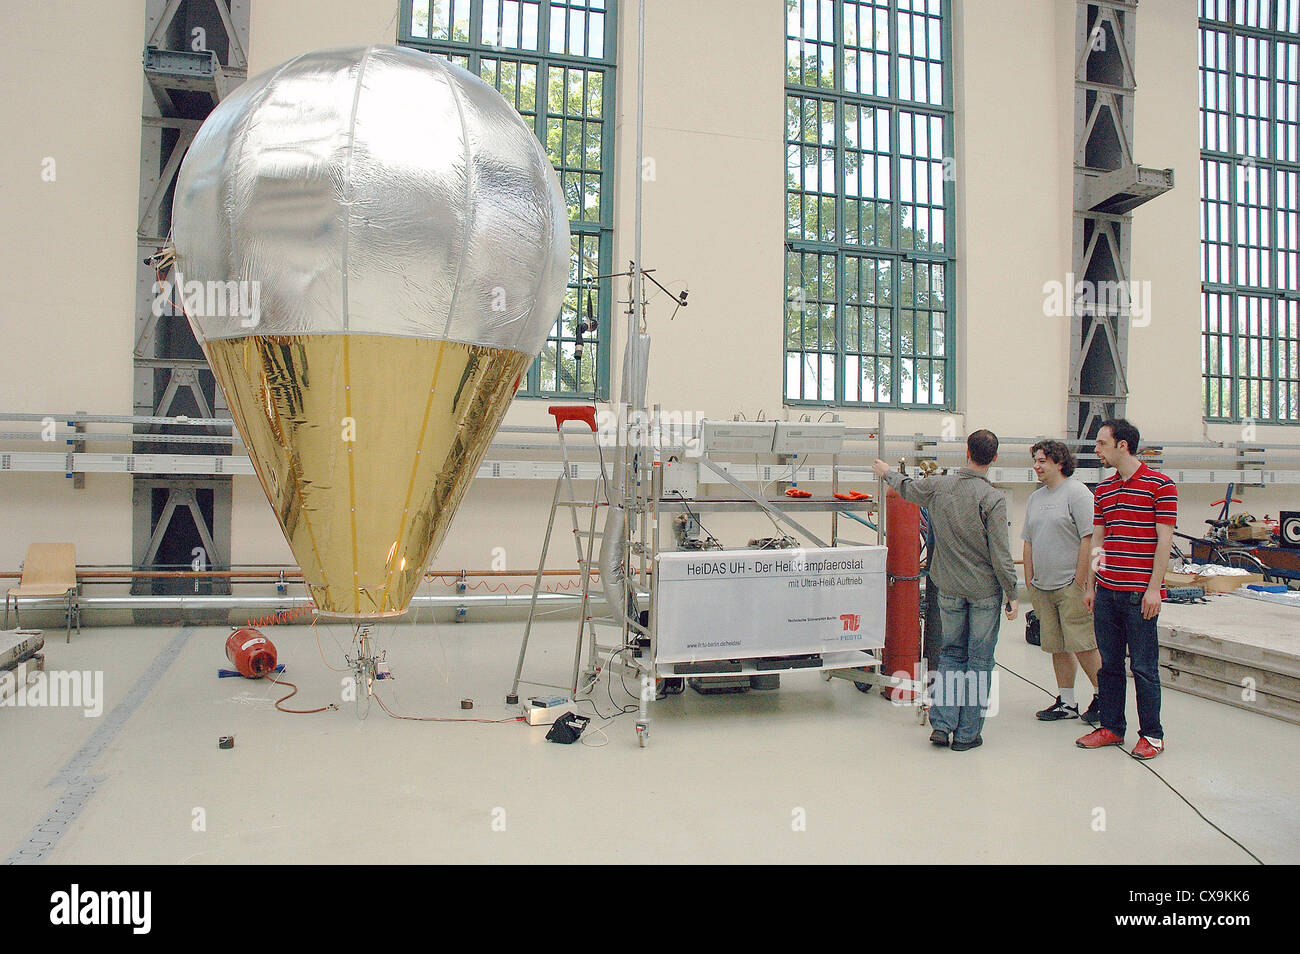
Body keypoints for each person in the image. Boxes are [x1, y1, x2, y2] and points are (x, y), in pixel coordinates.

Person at [872, 430, 1018, 752]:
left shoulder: (939, 486)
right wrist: (1012, 594)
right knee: (979, 660)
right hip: (983, 593)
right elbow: (1001, 555)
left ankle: (941, 725)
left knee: (950, 653)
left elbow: (907, 488)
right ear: (994, 459)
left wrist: (885, 472)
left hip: (948, 589)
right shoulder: (992, 499)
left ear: (966, 452)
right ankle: (967, 735)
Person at [1076, 419, 1176, 760]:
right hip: (1107, 593)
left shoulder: (1160, 485)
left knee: (1145, 668)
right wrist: (1091, 585)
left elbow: (1164, 541)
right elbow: (1099, 540)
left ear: (1123, 446)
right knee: (1110, 666)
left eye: (1102, 443)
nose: (1096, 450)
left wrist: (1153, 590)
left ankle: (1152, 734)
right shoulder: (1103, 491)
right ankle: (1112, 726)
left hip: (1139, 596)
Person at [1022, 439, 1101, 724]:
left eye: (1042, 460)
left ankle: (1103, 696)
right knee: (1057, 645)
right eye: (1035, 460)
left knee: (1083, 643)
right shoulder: (1035, 498)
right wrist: (1030, 580)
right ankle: (1067, 701)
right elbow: (1028, 541)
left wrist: (1081, 581)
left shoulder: (1077, 494)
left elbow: (1089, 538)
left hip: (1070, 585)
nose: (1037, 466)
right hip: (1044, 586)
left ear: (1059, 462)